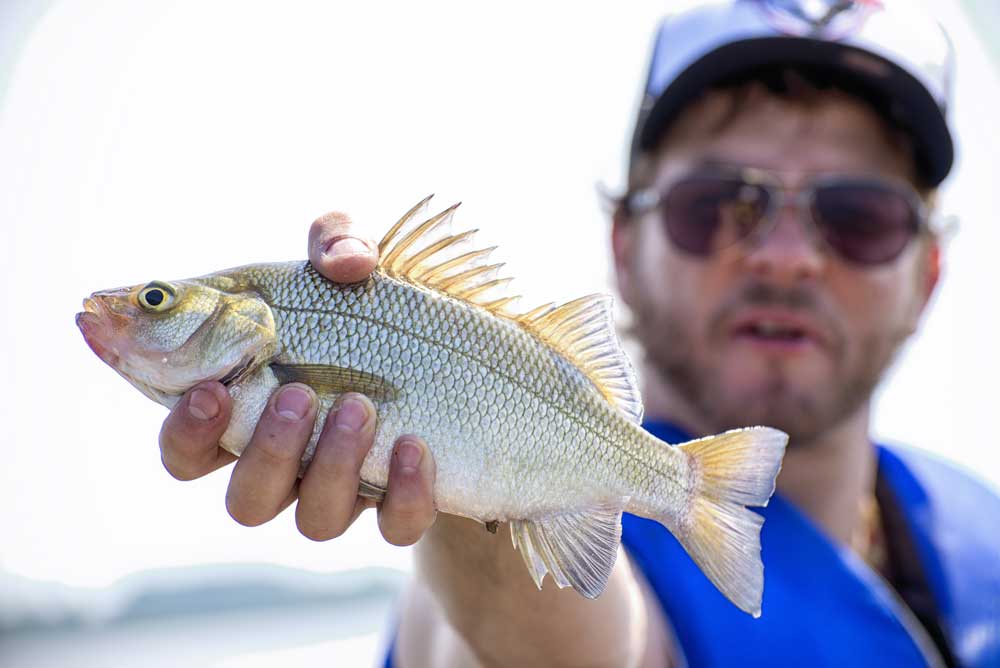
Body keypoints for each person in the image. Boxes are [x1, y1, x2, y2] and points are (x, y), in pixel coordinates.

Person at [157, 1, 1000, 666]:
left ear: (929, 275)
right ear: (624, 247)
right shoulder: (602, 560)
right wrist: (455, 479)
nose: (785, 259)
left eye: (859, 217)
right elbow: (521, 647)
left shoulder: (982, 535)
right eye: (714, 207)